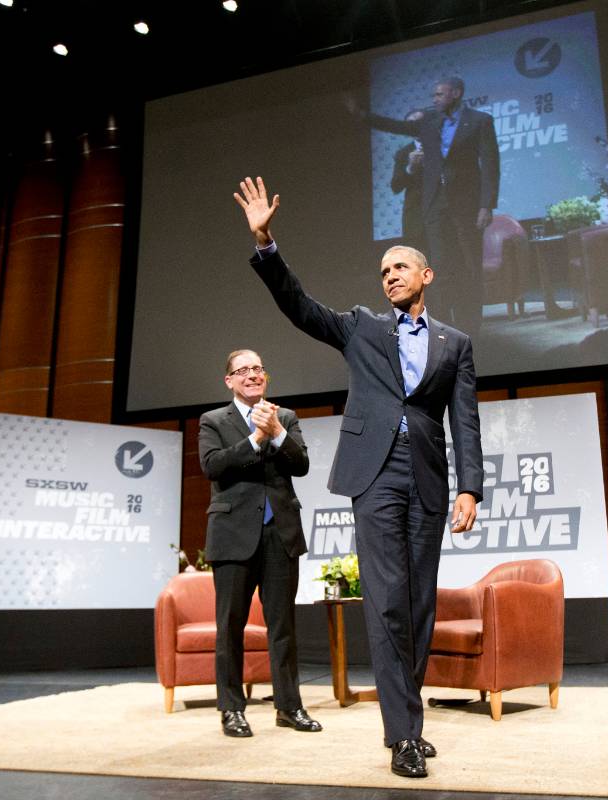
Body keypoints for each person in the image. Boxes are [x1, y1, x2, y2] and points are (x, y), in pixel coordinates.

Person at [233, 176, 483, 779]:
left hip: (427, 477)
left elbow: (465, 421)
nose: (390, 275)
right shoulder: (362, 327)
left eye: (400, 267)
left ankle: (408, 718)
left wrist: (470, 487)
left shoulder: (456, 344)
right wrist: (266, 243)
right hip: (374, 475)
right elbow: (301, 306)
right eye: (383, 270)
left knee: (420, 603)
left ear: (427, 276)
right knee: (387, 601)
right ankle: (402, 734)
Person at [198, 349, 323, 738]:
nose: (252, 375)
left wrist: (277, 432)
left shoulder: (284, 417)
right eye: (243, 370)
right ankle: (232, 709)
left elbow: (300, 464)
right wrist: (255, 438)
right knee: (230, 626)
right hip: (233, 535)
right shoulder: (213, 420)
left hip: (279, 534)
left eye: (257, 369)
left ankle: (289, 707)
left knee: (283, 626)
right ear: (229, 381)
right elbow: (212, 466)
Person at [350, 76, 499, 336]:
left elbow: (490, 166)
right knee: (439, 268)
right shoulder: (429, 122)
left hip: (466, 206)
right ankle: (444, 328)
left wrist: (486, 205)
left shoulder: (480, 121)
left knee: (468, 265)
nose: (434, 99)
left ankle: (472, 328)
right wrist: (363, 115)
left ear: (456, 93)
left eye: (439, 94)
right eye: (434, 95)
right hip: (435, 206)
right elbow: (396, 126)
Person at [390, 109, 427, 254]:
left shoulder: (446, 145)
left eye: (419, 121)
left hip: (444, 212)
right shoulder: (403, 153)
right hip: (416, 217)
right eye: (411, 124)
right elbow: (395, 187)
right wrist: (410, 168)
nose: (415, 126)